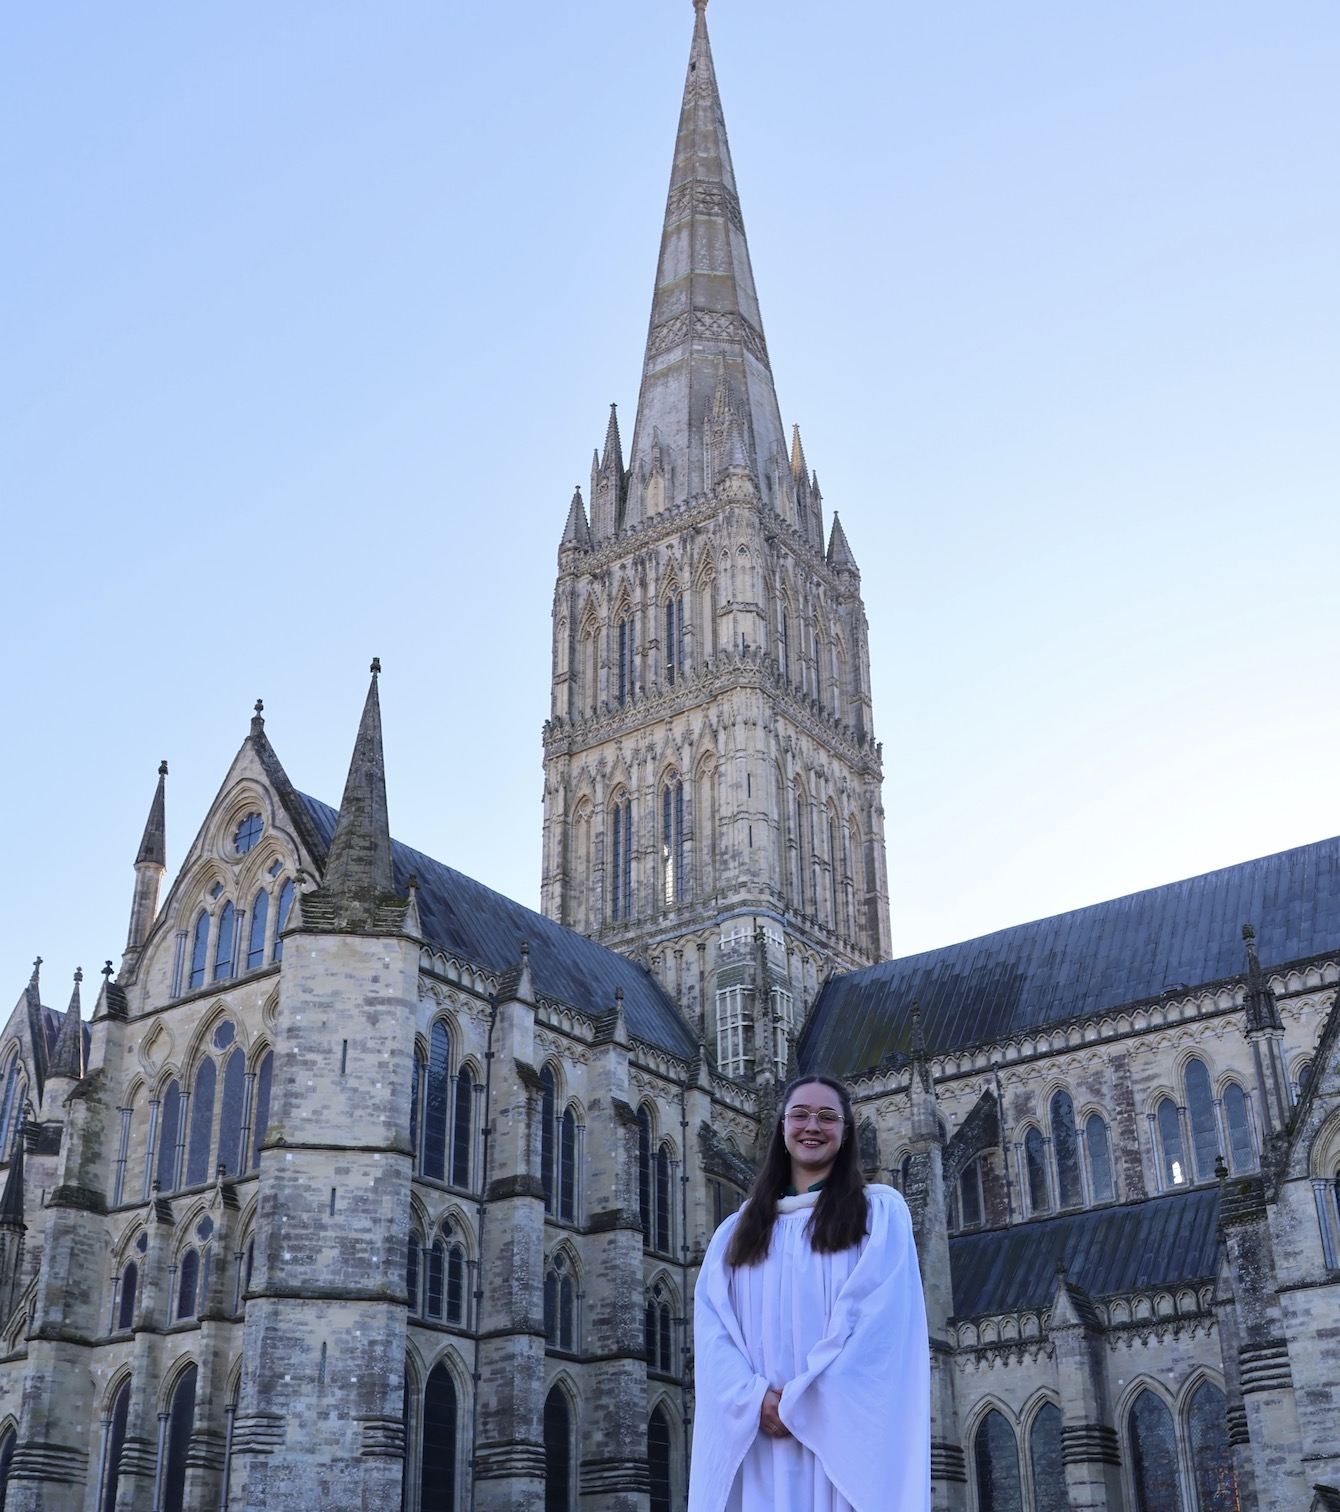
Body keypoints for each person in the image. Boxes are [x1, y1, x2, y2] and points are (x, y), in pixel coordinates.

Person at [688, 1074, 930, 1512]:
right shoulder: (735, 1233)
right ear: (781, 1128)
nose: (811, 1126)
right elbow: (712, 1332)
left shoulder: (878, 1216)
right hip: (756, 1441)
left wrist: (801, 1403)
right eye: (799, 1114)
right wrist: (752, 1399)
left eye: (827, 1116)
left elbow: (882, 1329)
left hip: (839, 1446)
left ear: (847, 1130)